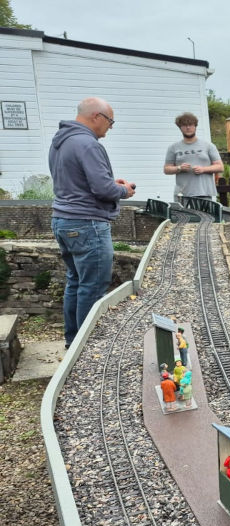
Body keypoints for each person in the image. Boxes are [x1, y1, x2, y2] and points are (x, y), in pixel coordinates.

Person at [49, 97, 137, 349]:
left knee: (76, 282)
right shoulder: (87, 144)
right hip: (87, 224)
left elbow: (77, 182)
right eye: (110, 121)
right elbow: (102, 189)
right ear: (96, 116)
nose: (111, 127)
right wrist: (124, 190)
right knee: (93, 287)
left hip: (63, 220)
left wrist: (110, 184)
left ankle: (72, 342)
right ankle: (87, 348)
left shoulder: (60, 141)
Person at [163, 112, 223, 200]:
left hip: (204, 194)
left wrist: (203, 169)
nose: (188, 127)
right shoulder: (173, 147)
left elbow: (220, 167)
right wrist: (179, 168)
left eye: (190, 125)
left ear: (195, 126)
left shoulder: (208, 146)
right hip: (182, 195)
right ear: (180, 127)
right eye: (184, 125)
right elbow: (166, 169)